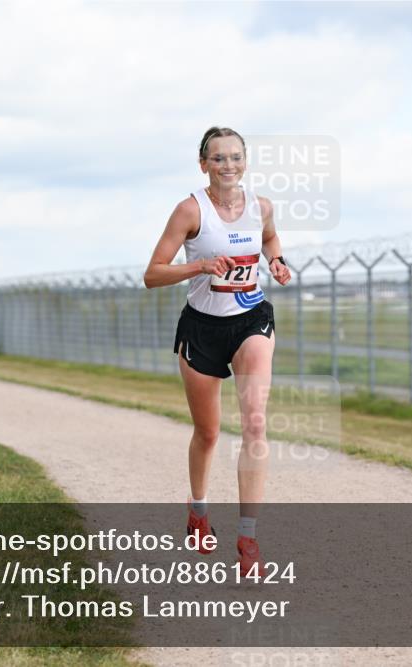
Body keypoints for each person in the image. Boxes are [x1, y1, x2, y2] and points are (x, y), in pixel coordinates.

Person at [143, 127, 292, 576]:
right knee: (208, 432)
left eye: (235, 157)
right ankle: (199, 510)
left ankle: (248, 540)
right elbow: (153, 274)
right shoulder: (190, 210)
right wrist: (201, 265)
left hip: (250, 320)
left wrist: (276, 261)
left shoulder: (261, 207)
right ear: (203, 163)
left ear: (245, 161)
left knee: (255, 423)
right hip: (202, 328)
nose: (228, 165)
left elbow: (269, 239)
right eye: (218, 158)